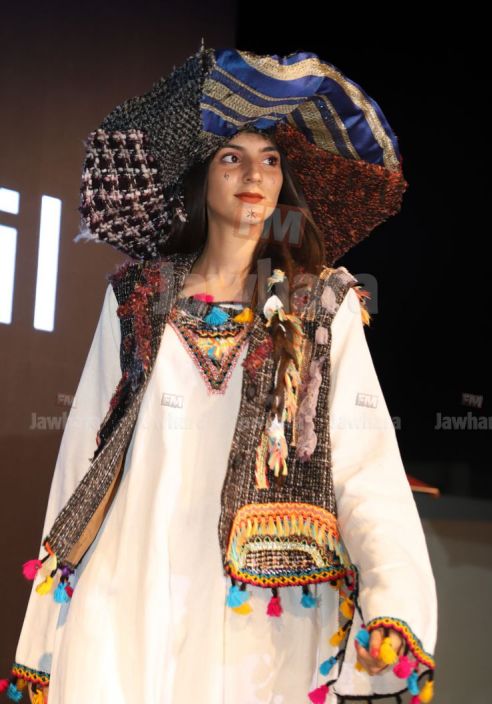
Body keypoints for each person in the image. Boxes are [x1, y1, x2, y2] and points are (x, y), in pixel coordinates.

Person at [2, 44, 437, 703]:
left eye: (270, 159)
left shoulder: (322, 305)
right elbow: (82, 455)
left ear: (284, 183)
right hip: (127, 583)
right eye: (231, 157)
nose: (253, 173)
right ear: (201, 177)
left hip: (259, 617)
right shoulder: (137, 296)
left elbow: (363, 463)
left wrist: (394, 597)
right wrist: (42, 630)